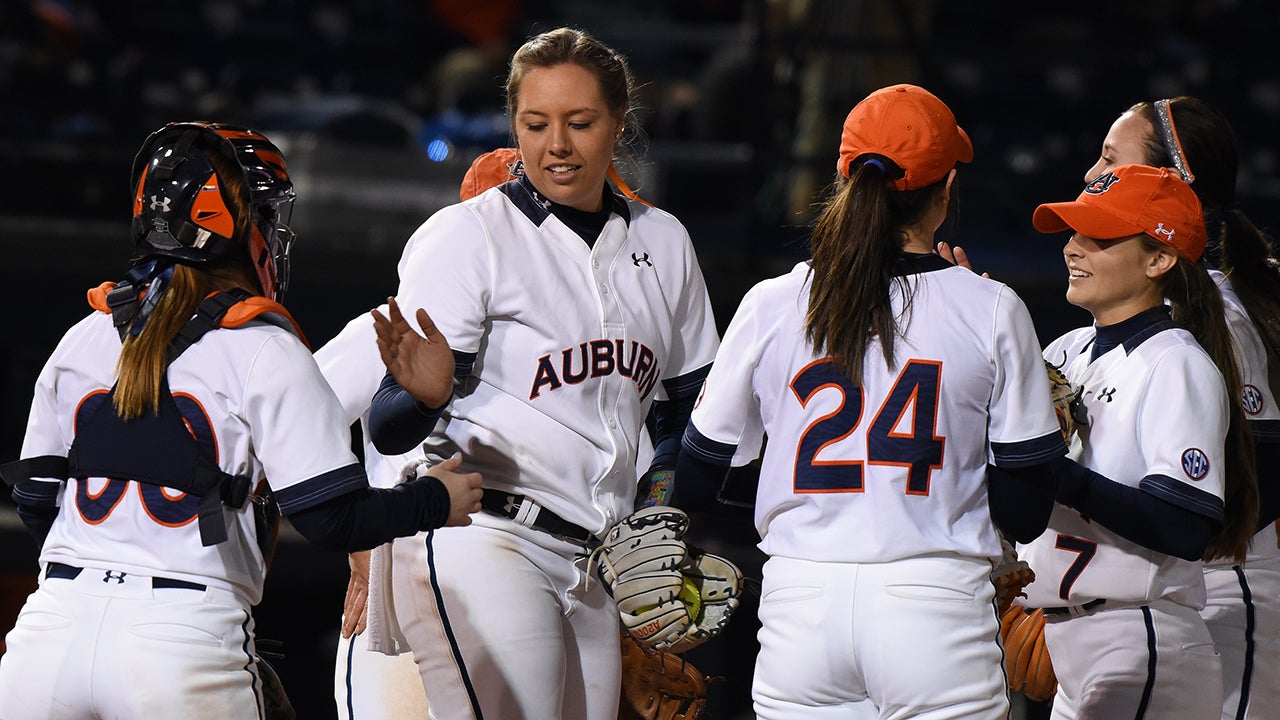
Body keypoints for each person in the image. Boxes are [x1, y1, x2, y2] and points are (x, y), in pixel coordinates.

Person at [0, 121, 482, 719]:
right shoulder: (262, 348)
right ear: (238, 226)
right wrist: (433, 501)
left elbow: (34, 496)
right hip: (182, 638)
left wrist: (107, 563)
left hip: (46, 634)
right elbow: (332, 520)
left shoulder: (85, 334)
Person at [674, 83, 1068, 718]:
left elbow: (697, 479)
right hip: (933, 606)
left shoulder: (771, 301)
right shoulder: (991, 307)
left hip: (800, 604)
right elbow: (1024, 513)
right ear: (945, 191)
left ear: (843, 176)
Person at [367, 27, 722, 720]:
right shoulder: (469, 235)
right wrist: (422, 395)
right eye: (535, 124)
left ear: (619, 124)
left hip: (594, 566)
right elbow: (385, 427)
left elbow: (687, 414)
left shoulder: (664, 242)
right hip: (489, 538)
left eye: (579, 123)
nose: (556, 144)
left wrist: (658, 509)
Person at [1017, 163, 1259, 719]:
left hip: (1139, 634)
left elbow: (1184, 525)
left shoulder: (1176, 363)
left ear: (1160, 258)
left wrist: (1057, 475)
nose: (1072, 248)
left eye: (1098, 237)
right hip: (1070, 634)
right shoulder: (1065, 351)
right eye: (1073, 232)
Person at [1081, 96, 1280, 720]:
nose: (1093, 173)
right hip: (1164, 598)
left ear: (1174, 183)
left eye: (1112, 159)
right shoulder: (1134, 308)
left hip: (1225, 591)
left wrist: (1166, 541)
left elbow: (1264, 473)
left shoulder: (1227, 317)